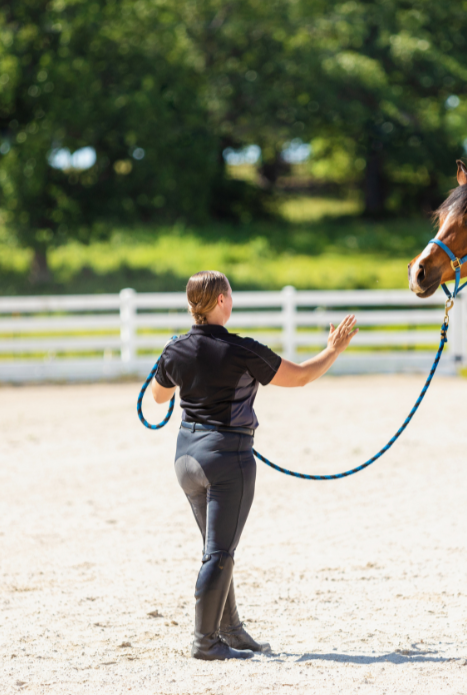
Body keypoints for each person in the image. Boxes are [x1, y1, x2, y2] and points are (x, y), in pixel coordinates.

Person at [150, 270, 358, 660]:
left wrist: (169, 357)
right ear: (221, 301)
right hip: (226, 459)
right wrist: (334, 349)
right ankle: (205, 642)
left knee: (215, 549)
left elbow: (159, 398)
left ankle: (229, 629)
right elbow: (299, 377)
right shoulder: (243, 350)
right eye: (230, 293)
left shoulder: (174, 349)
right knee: (220, 554)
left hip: (185, 459)